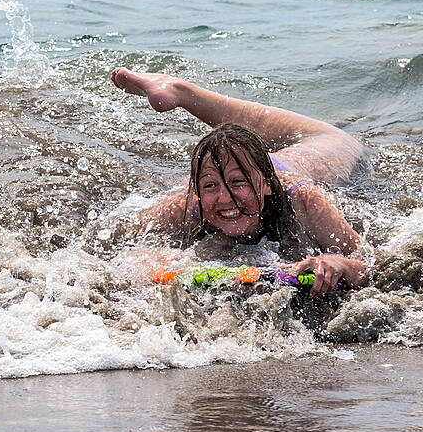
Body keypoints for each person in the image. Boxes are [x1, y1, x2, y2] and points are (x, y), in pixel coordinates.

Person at [111, 67, 369, 296]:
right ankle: (177, 92)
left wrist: (339, 264)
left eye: (238, 184)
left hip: (299, 164)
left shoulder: (302, 198)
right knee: (231, 159)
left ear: (267, 184)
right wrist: (162, 263)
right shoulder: (183, 207)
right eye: (211, 186)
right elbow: (123, 251)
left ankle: (179, 90)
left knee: (336, 138)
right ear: (197, 191)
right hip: (240, 165)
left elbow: (367, 264)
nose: (225, 199)